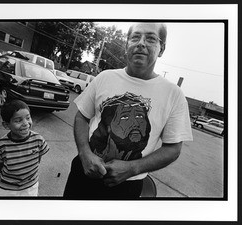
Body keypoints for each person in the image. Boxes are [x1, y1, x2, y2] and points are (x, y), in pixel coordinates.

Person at [63, 22, 193, 199]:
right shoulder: (105, 77)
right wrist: (85, 153)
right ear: (126, 45)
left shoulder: (174, 95)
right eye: (135, 37)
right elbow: (81, 118)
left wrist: (132, 168)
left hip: (127, 187)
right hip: (83, 173)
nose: (141, 43)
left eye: (151, 38)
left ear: (161, 49)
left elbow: (173, 148)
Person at [0, 100, 49, 196]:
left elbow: (38, 158)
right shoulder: (1, 145)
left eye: (28, 118)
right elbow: (0, 166)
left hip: (31, 186)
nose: (25, 123)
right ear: (6, 125)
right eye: (18, 120)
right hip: (6, 188)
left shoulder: (38, 139)